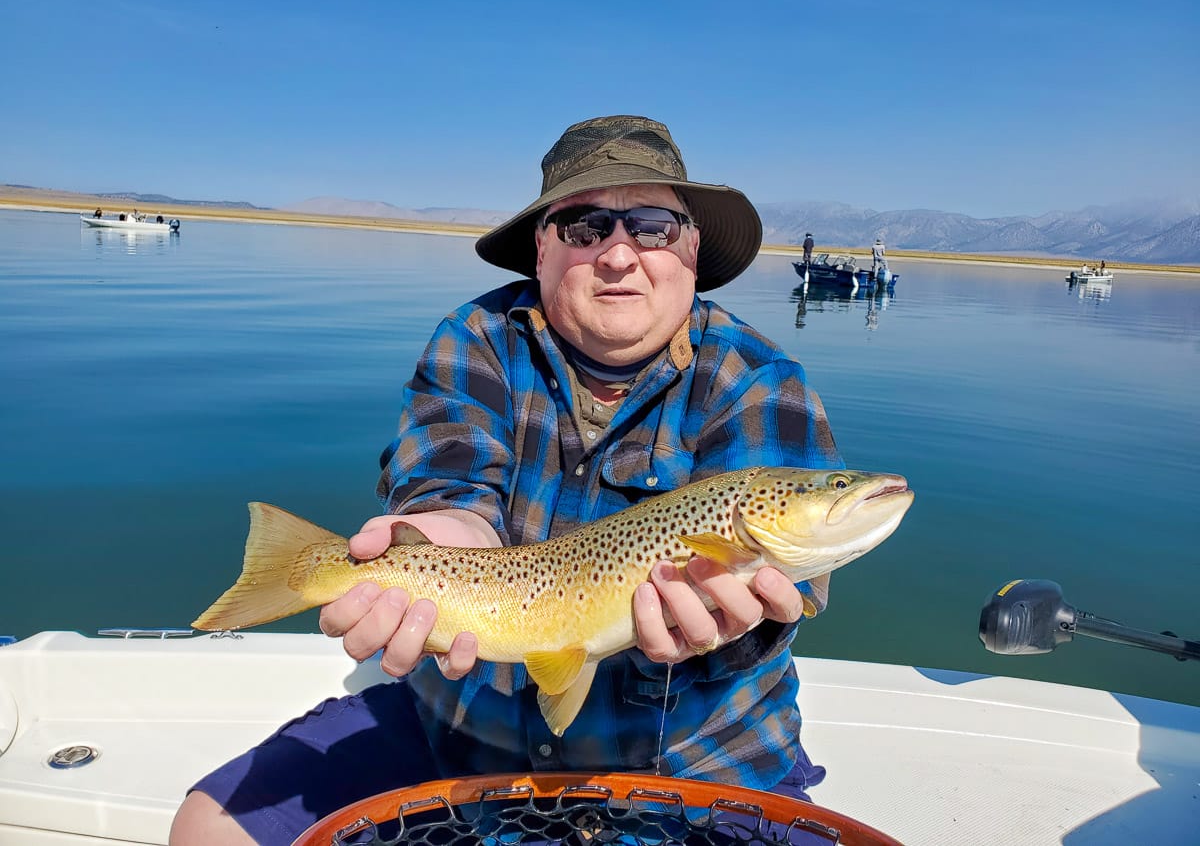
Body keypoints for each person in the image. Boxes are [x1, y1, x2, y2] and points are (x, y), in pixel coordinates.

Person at [170, 115, 845, 845]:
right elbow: (451, 495)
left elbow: (781, 605)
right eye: (585, 226)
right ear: (541, 248)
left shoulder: (759, 381)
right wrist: (432, 537)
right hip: (463, 734)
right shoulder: (477, 340)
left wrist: (724, 629)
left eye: (652, 226)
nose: (619, 255)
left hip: (697, 762)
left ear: (690, 247)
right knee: (210, 826)